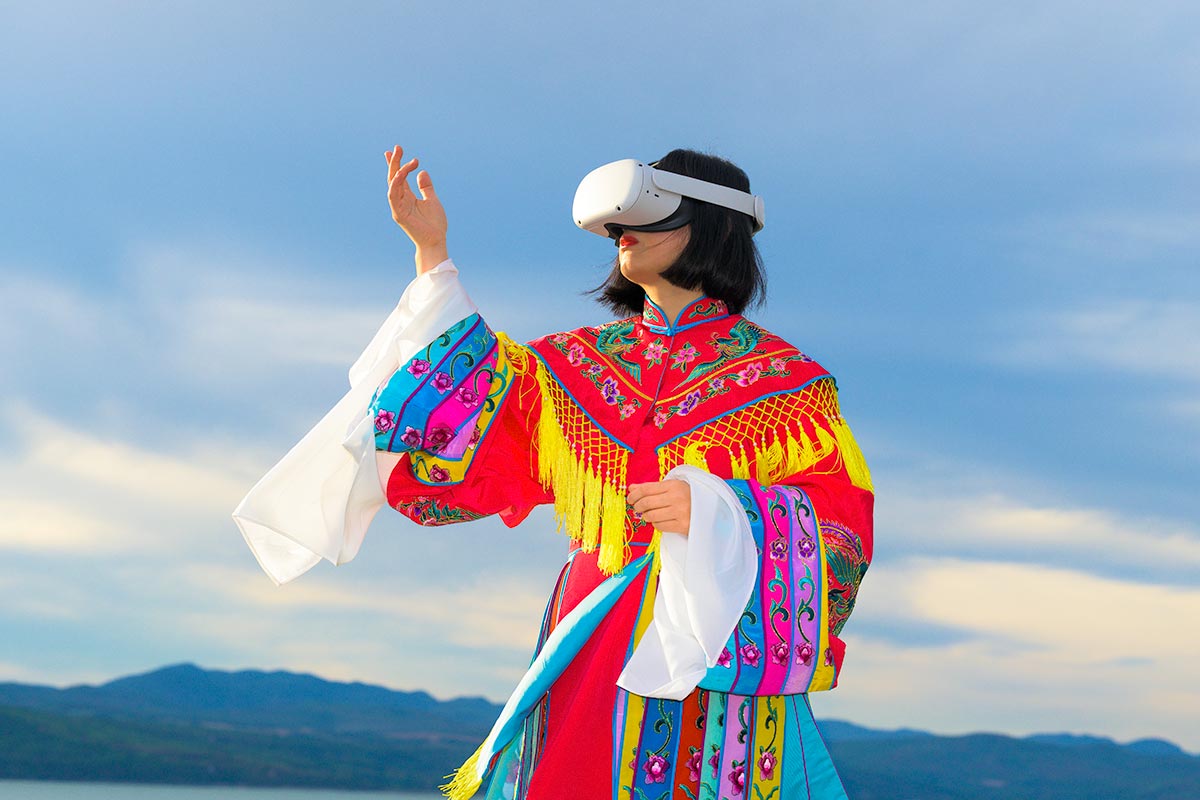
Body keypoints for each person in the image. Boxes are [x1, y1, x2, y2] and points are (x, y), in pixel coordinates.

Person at [233, 145, 874, 800]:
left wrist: (722, 515)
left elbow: (843, 535)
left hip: (711, 654)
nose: (625, 233)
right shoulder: (570, 366)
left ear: (714, 225)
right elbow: (471, 422)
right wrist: (433, 256)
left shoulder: (792, 389)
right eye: (620, 223)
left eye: (651, 216)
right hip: (589, 636)